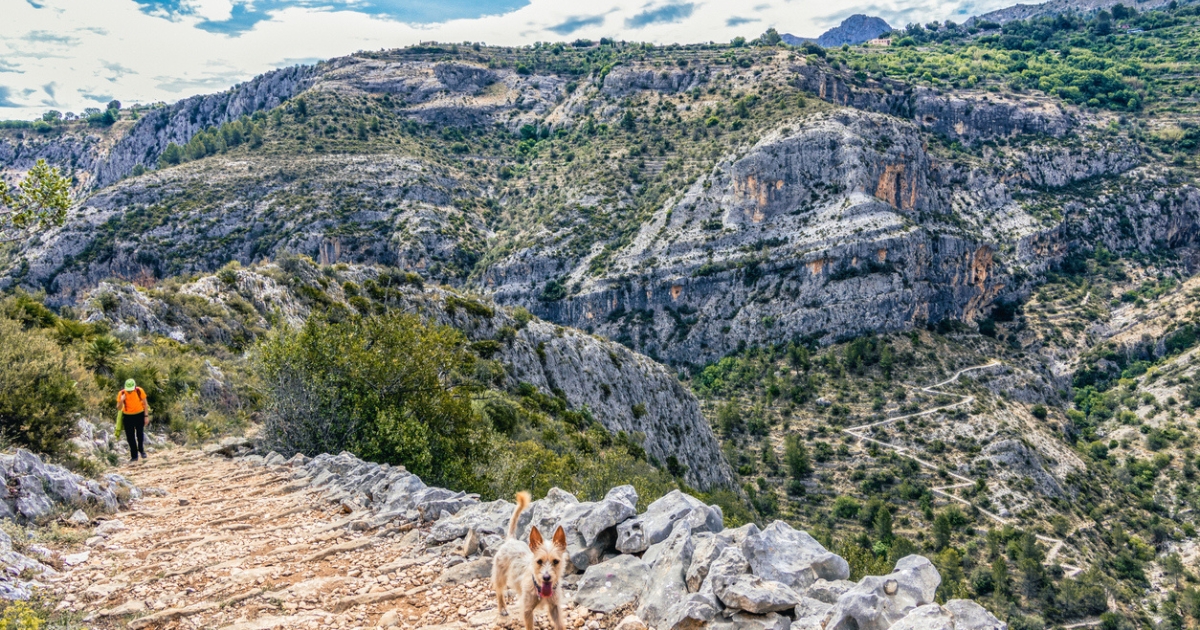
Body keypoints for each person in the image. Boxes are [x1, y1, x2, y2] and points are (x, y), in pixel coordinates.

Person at [117, 379, 150, 462]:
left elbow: (145, 404)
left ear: (135, 387)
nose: (130, 391)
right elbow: (119, 408)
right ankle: (134, 456)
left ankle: (141, 450)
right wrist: (121, 400)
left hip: (139, 414)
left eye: (131, 390)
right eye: (128, 390)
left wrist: (146, 416)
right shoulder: (121, 393)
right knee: (130, 437)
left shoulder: (139, 391)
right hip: (128, 416)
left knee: (140, 434)